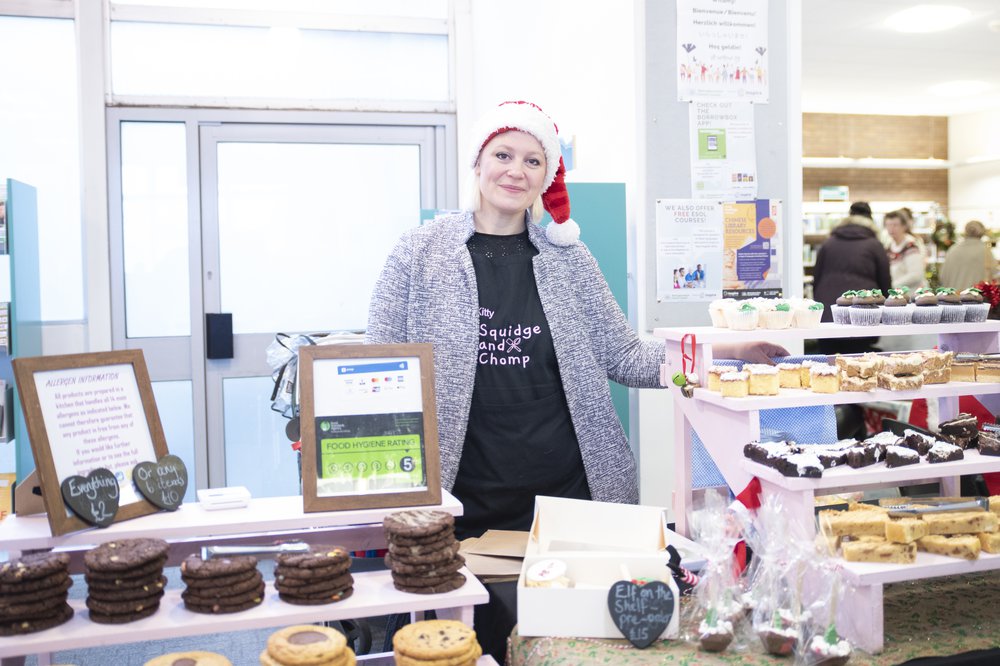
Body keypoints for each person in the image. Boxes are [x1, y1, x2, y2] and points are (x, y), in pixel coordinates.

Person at [366, 101, 785, 661]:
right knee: (467, 644)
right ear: (478, 162)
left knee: (570, 642)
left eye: (533, 160)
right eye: (503, 154)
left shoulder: (568, 258)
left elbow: (625, 355)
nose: (516, 170)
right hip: (463, 496)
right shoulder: (419, 252)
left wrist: (725, 354)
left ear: (547, 176)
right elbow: (380, 360)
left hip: (567, 493)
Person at [812, 212, 891, 354]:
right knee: (861, 361)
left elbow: (816, 276)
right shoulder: (874, 245)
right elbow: (884, 280)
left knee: (828, 361)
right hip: (863, 311)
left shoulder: (828, 243)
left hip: (829, 310)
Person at [939, 220, 997, 292]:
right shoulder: (985, 250)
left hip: (954, 297)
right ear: (982, 233)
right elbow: (995, 275)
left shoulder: (953, 249)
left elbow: (943, 276)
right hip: (976, 298)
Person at [883, 209, 927, 290]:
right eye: (888, 225)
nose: (891, 228)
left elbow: (916, 274)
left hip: (912, 295)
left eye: (895, 225)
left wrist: (891, 285)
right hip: (897, 293)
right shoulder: (889, 245)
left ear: (904, 226)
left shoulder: (911, 244)